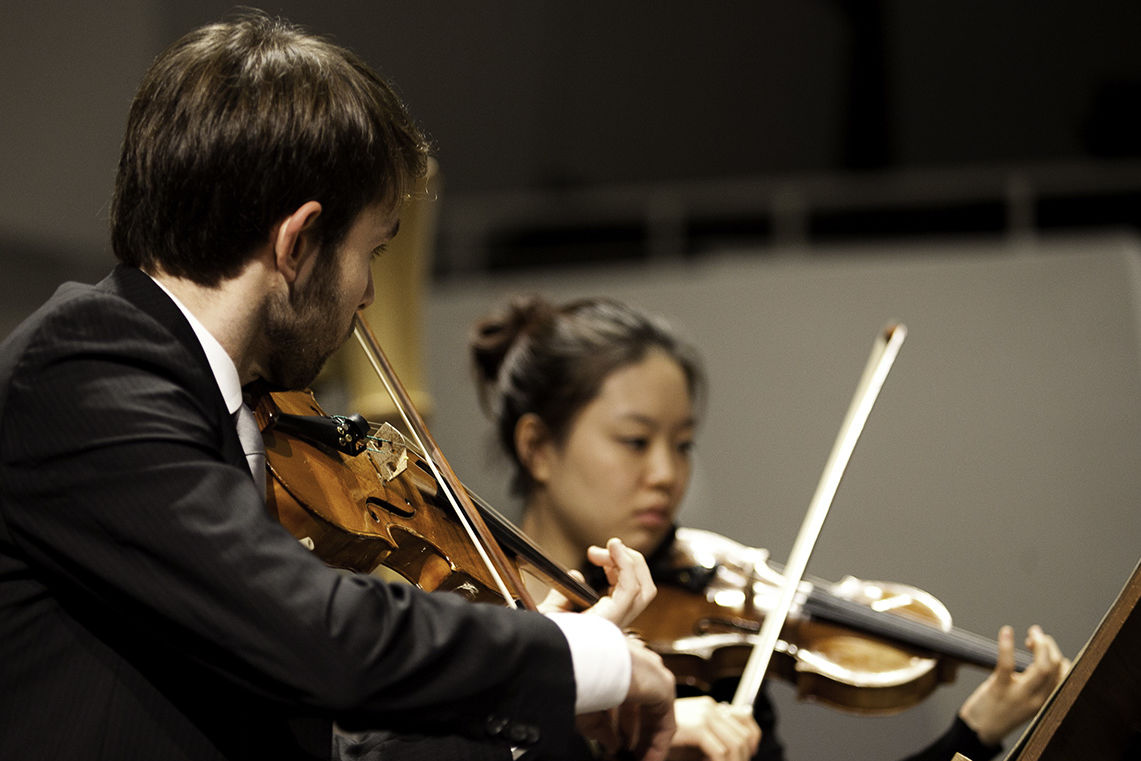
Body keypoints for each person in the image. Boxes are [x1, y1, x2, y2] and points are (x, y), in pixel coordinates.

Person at [0, 13, 678, 761]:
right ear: (298, 243)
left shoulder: (213, 404)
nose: (366, 297)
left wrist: (534, 705)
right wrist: (580, 654)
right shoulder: (87, 367)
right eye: (372, 252)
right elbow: (320, 630)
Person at [468, 295, 1070, 761]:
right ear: (539, 448)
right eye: (635, 441)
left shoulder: (716, 662)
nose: (667, 473)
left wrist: (974, 736)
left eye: (682, 445)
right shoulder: (468, 623)